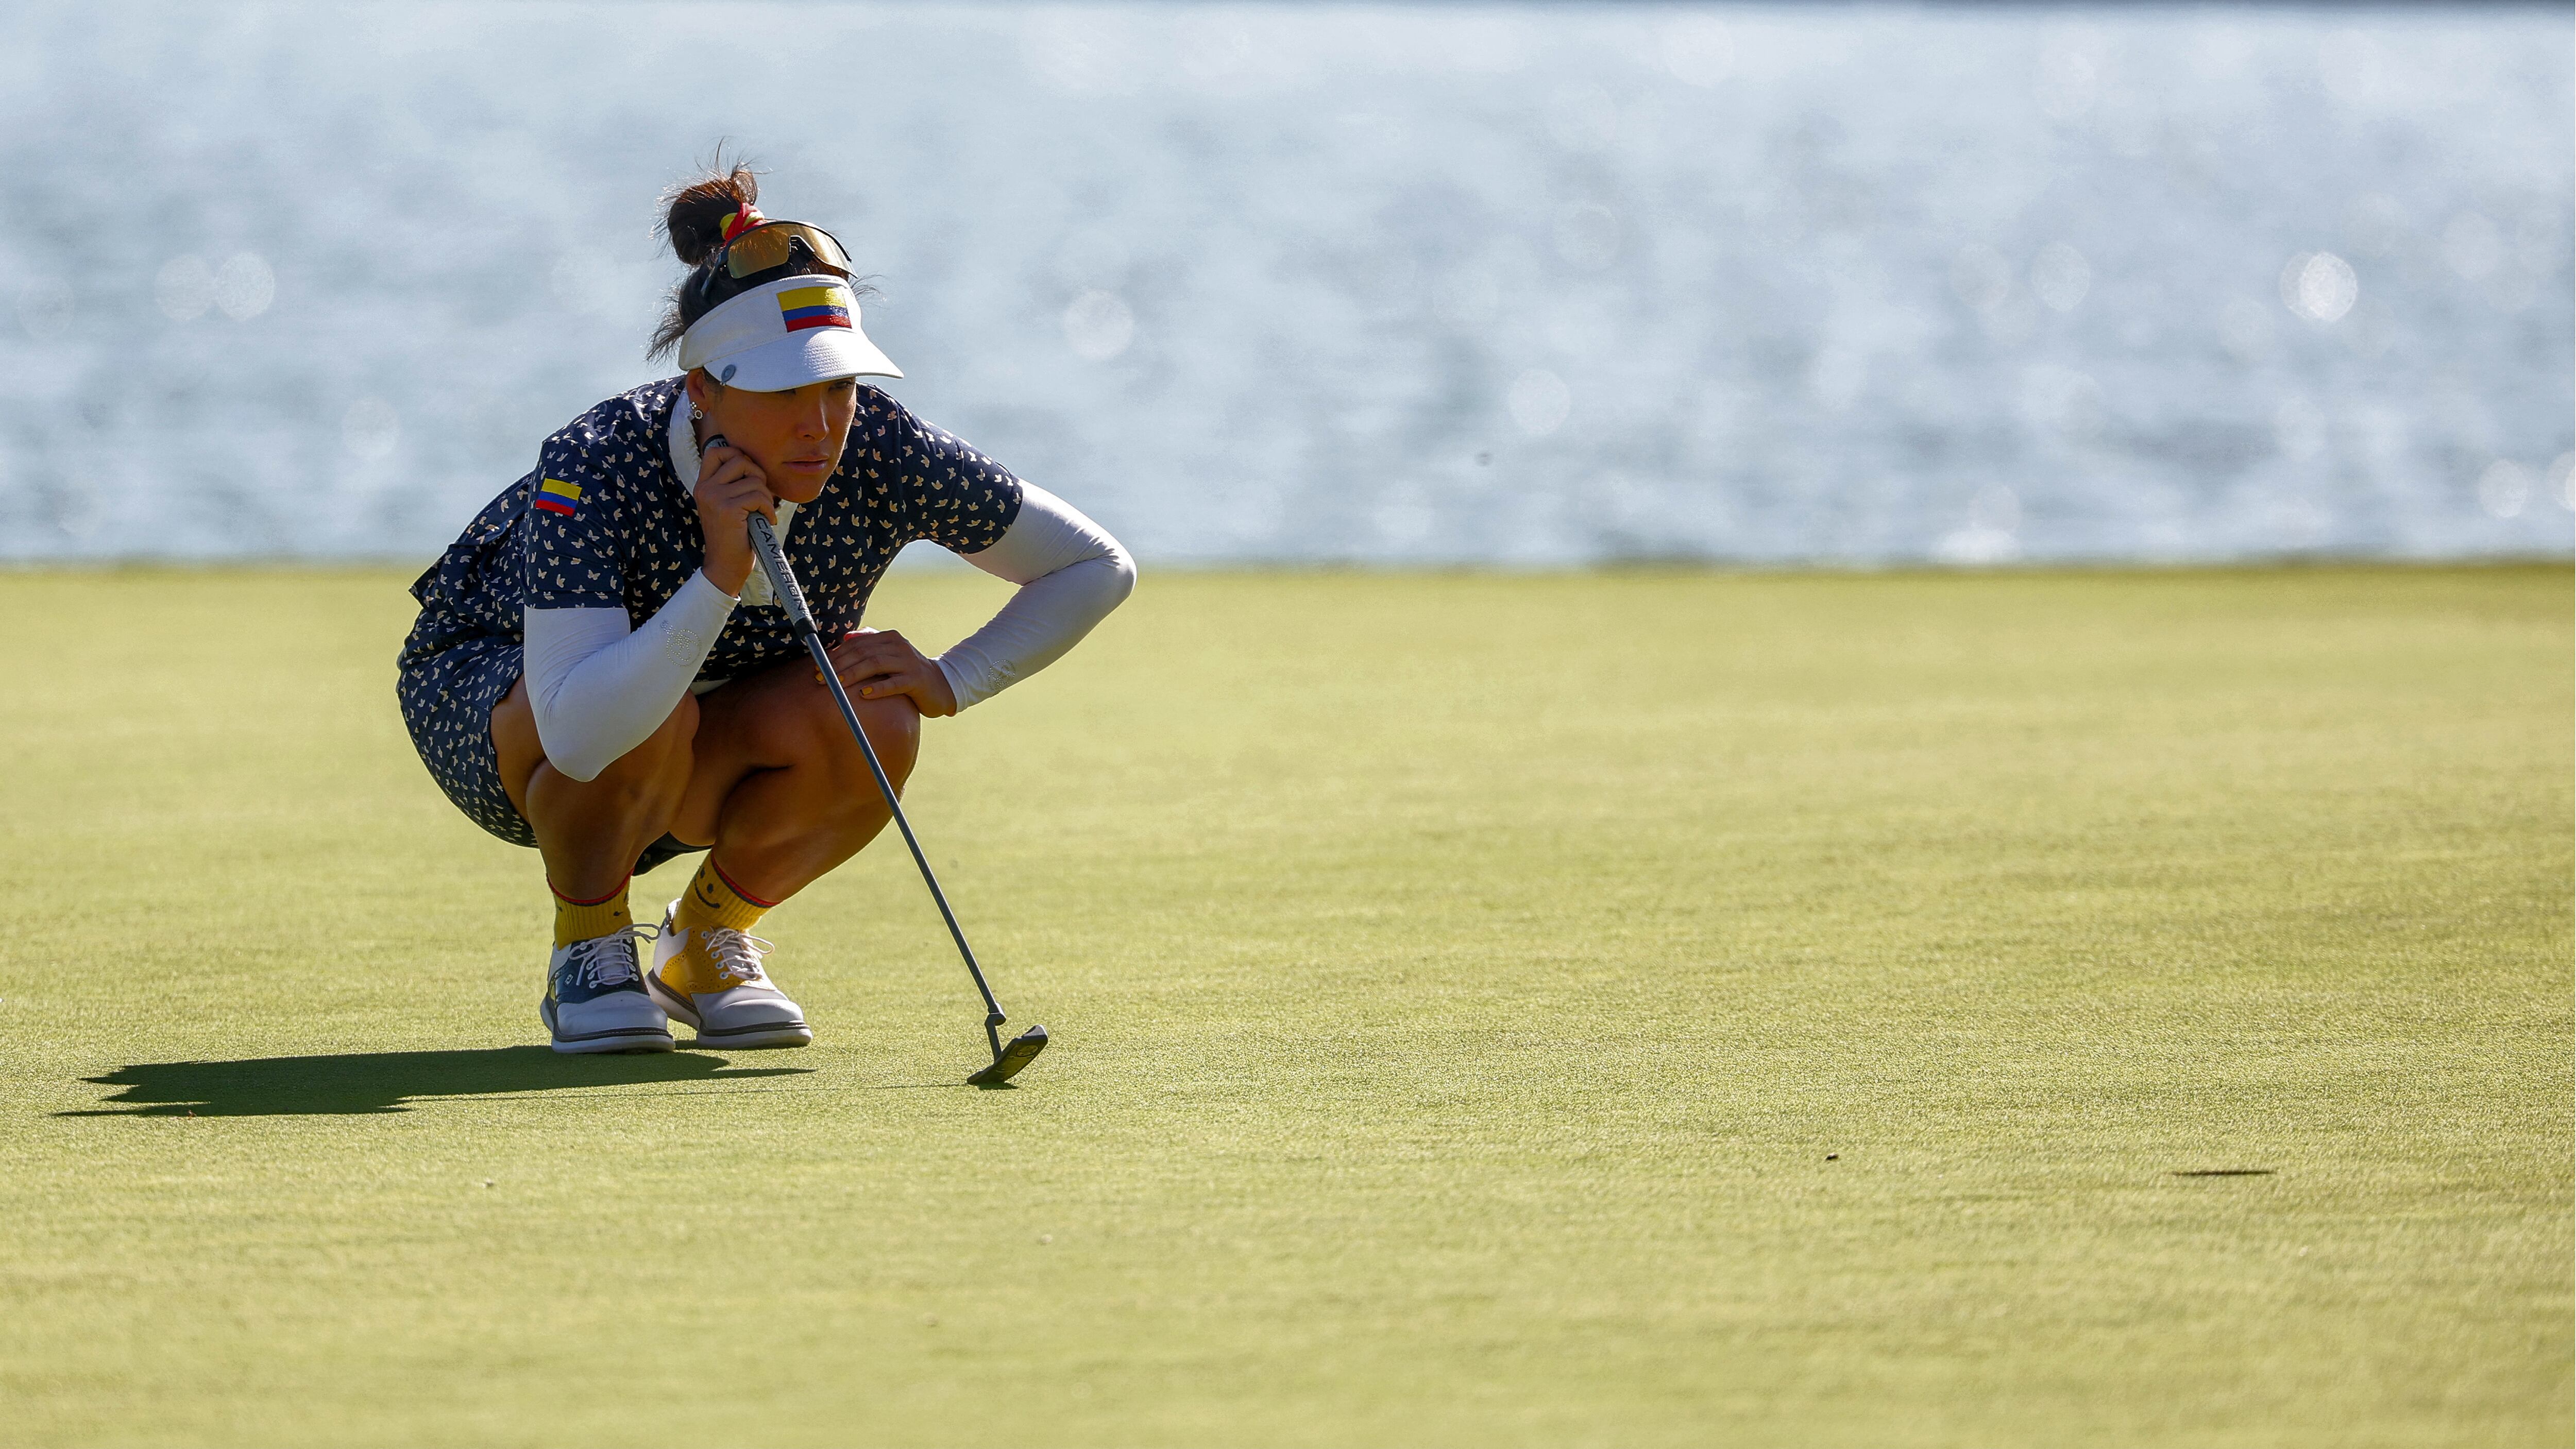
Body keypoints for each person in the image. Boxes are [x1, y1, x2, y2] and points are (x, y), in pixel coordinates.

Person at [397, 162, 1135, 1053]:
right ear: (703, 388)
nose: (820, 425)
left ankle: (706, 943)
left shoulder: (881, 448)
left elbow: (1094, 566)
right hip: (510, 720)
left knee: (881, 713)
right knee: (648, 715)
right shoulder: (595, 465)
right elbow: (579, 732)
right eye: (785, 391)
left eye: (838, 387)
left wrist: (955, 677)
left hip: (700, 721)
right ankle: (587, 943)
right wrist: (717, 571)